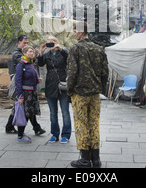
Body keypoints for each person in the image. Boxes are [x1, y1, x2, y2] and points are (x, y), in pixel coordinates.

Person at [67, 23, 109, 168]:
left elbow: (72, 73)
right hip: (95, 94)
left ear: (80, 31)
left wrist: (69, 91)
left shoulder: (75, 48)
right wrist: (101, 88)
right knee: (94, 123)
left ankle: (85, 159)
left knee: (81, 124)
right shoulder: (99, 49)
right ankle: (96, 159)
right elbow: (105, 72)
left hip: (80, 93)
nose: (73, 33)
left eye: (74, 30)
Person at [37, 36, 71, 144]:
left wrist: (60, 48)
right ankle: (54, 134)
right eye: (48, 44)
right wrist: (41, 53)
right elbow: (40, 64)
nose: (49, 46)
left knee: (65, 112)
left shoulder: (63, 52)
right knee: (53, 113)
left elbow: (69, 59)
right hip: (50, 86)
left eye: (51, 43)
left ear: (56, 43)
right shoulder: (47, 55)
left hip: (62, 85)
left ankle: (65, 135)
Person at [15, 45, 46, 143]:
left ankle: (33, 129)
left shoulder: (31, 64)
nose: (32, 53)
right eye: (29, 51)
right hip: (25, 93)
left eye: (32, 52)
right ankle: (20, 135)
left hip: (32, 93)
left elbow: (30, 79)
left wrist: (37, 80)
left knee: (30, 113)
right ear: (24, 53)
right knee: (25, 114)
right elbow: (18, 81)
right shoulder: (21, 65)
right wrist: (20, 96)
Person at [5, 34, 30, 134]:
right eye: (24, 43)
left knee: (19, 106)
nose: (26, 45)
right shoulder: (17, 54)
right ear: (19, 42)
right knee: (18, 105)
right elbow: (25, 62)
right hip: (19, 84)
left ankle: (10, 126)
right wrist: (33, 55)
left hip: (24, 83)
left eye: (27, 43)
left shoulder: (22, 53)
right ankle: (10, 126)